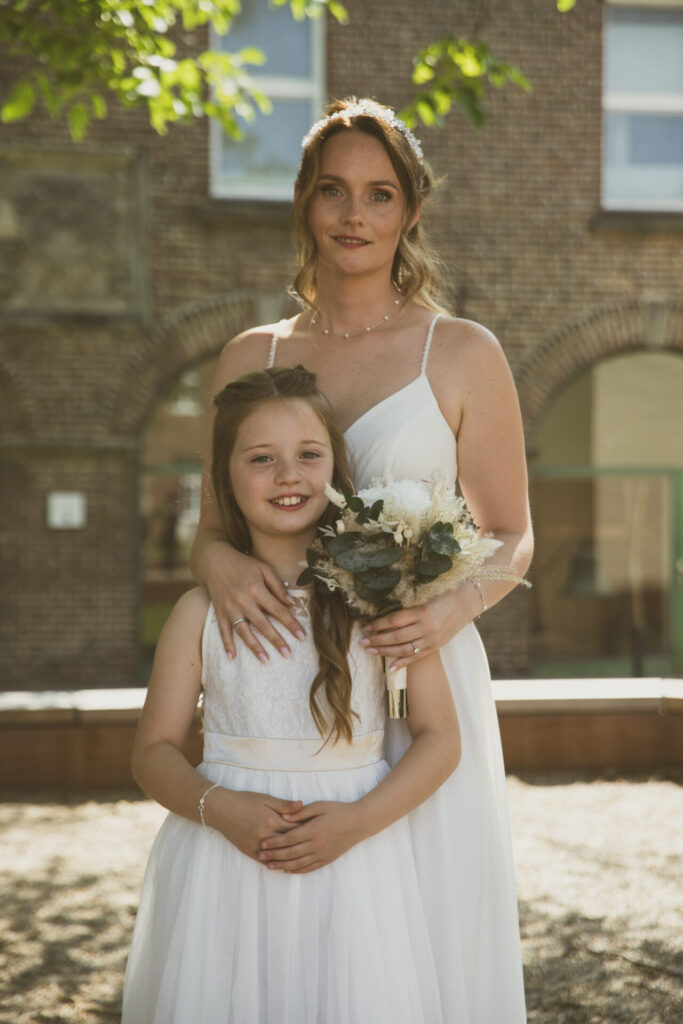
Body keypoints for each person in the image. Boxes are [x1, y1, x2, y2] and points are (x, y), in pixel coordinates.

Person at [190, 97, 533, 1023]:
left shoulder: (461, 352)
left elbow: (510, 529)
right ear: (302, 202)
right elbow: (211, 518)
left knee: (418, 943)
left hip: (418, 661)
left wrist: (447, 613)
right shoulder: (248, 354)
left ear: (409, 210)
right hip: (280, 681)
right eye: (333, 192)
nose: (354, 215)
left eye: (379, 195)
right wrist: (214, 565)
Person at [122, 366, 462, 1023]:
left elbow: (440, 739)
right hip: (224, 859)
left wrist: (358, 822)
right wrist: (220, 808)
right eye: (261, 458)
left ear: (336, 467)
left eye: (308, 455)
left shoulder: (383, 598)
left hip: (355, 857)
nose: (288, 475)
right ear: (224, 477)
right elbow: (152, 751)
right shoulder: (197, 612)